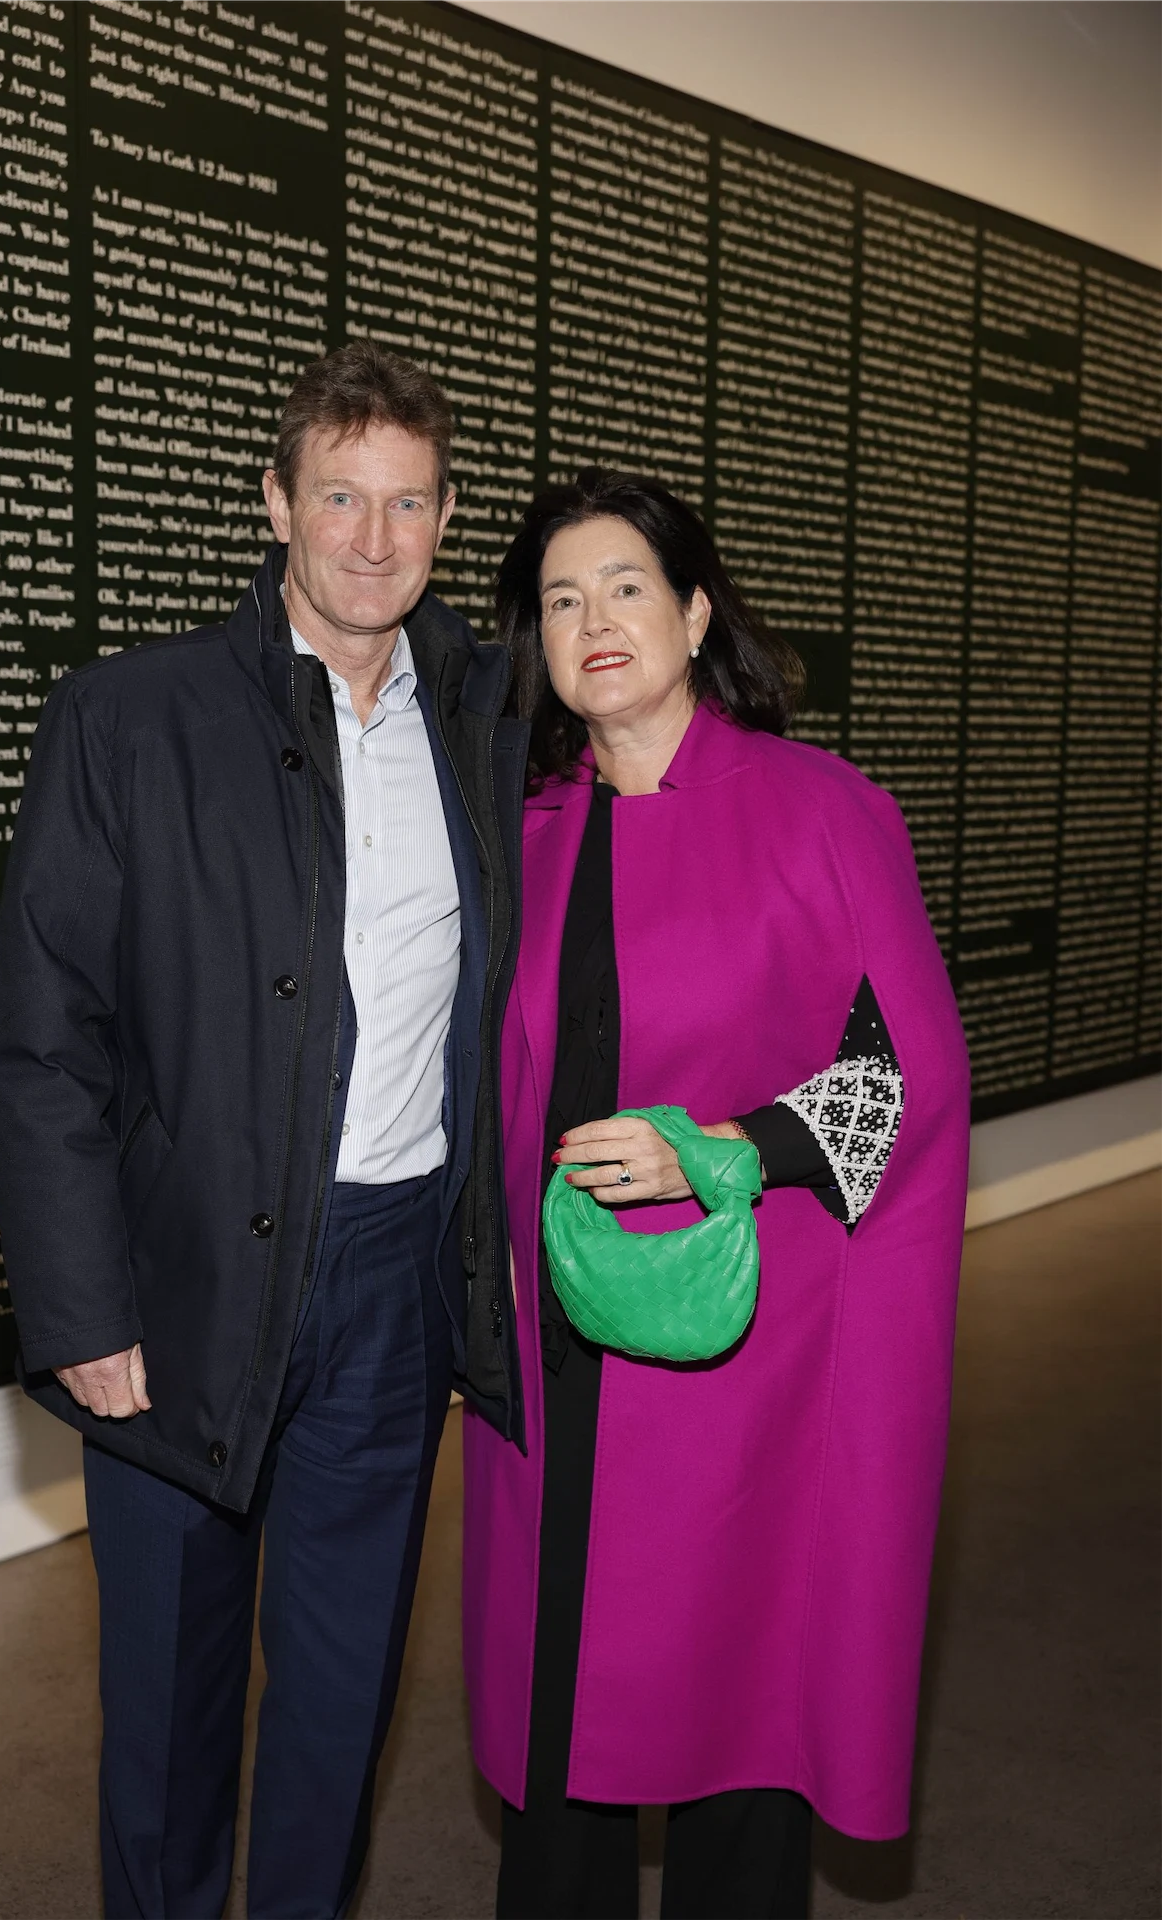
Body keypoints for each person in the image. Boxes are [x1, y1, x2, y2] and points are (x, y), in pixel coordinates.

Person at [0, 342, 528, 1920]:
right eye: (340, 496)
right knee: (166, 1706)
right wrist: (80, 1309)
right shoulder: (126, 718)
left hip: (391, 1282)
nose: (374, 537)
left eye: (409, 502)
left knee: (343, 1697)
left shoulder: (490, 718)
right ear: (275, 502)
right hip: (180, 1284)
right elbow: (46, 1044)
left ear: (445, 518)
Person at [462, 469, 972, 1919]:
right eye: (561, 599)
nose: (594, 621)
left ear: (694, 613)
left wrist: (725, 1145)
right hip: (559, 1342)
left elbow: (910, 1075)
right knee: (559, 1689)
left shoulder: (821, 810)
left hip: (745, 1341)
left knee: (737, 1693)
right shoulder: (519, 828)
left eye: (626, 587)